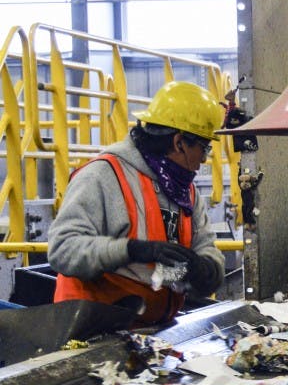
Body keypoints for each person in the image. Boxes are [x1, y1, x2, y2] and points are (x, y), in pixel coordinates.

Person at [48, 81, 226, 327]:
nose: (204, 159)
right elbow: (63, 249)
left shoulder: (186, 192)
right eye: (204, 148)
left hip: (151, 334)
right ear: (179, 142)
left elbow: (206, 247)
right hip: (90, 333)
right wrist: (132, 250)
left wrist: (205, 269)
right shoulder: (104, 175)